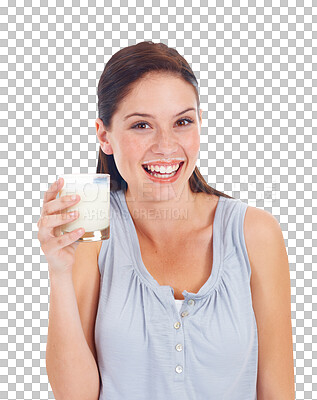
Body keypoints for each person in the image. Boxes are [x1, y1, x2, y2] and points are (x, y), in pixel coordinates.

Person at [38, 41, 295, 400]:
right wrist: (59, 273)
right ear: (104, 136)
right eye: (142, 125)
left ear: (200, 123)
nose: (166, 146)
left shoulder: (255, 233)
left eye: (182, 122)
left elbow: (278, 391)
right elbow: (75, 396)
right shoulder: (92, 229)